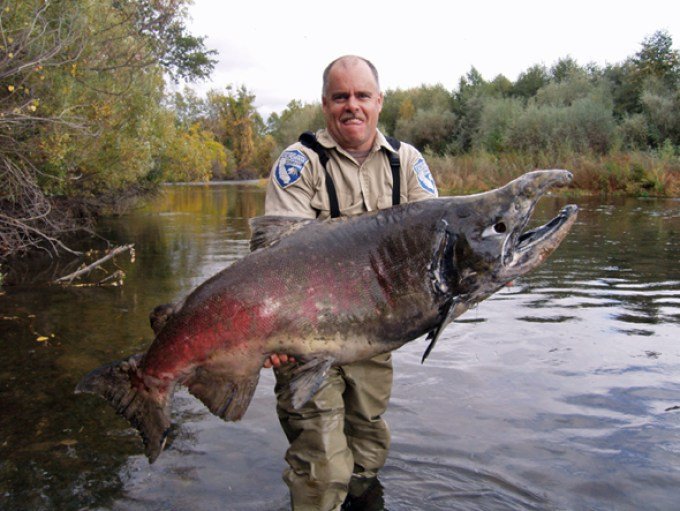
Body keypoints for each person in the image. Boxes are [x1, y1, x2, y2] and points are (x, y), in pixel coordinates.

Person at [259, 55, 438, 511]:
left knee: (367, 452)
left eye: (362, 96)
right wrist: (270, 333)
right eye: (341, 97)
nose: (352, 106)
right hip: (303, 338)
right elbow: (275, 263)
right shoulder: (299, 163)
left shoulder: (407, 161)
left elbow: (439, 239)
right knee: (322, 465)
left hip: (374, 336)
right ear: (325, 105)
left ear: (379, 101)